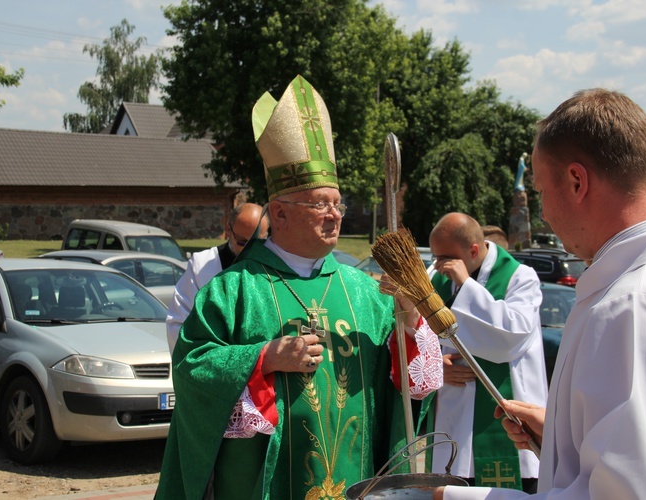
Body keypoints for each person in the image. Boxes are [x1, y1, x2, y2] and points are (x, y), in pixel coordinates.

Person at [156, 75, 443, 499]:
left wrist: (408, 321)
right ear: (280, 213)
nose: (335, 215)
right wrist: (264, 357)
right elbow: (191, 367)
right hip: (261, 482)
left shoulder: (364, 291)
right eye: (319, 204)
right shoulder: (233, 290)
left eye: (338, 203)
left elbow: (411, 387)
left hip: (355, 478)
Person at [435, 89, 646, 499]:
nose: (544, 212)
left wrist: (465, 498)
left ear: (576, 181)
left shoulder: (632, 305)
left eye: (541, 192)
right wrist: (563, 438)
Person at [423, 212, 547, 492]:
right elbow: (421, 338)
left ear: (474, 250)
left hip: (509, 433)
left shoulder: (520, 277)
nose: (438, 265)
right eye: (435, 257)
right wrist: (435, 363)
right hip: (454, 429)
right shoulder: (440, 282)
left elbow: (509, 339)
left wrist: (467, 286)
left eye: (444, 258)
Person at [165, 202, 269, 351]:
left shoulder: (272, 268)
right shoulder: (202, 266)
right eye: (242, 242)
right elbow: (179, 323)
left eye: (257, 243)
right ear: (228, 229)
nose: (248, 250)